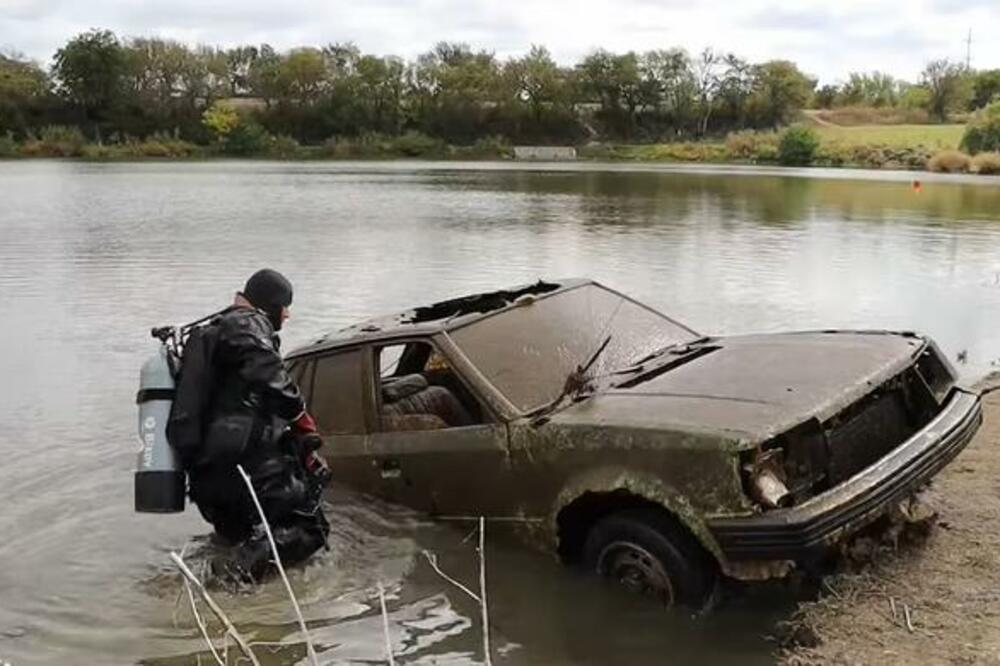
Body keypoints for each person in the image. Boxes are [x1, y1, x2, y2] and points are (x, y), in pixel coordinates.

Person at [185, 268, 331, 583]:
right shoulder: (245, 324)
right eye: (285, 306)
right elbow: (268, 374)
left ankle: (218, 596)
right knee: (311, 528)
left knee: (237, 540)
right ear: (269, 305)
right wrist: (302, 419)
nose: (287, 314)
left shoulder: (217, 329)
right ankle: (223, 584)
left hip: (208, 472)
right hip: (241, 465)